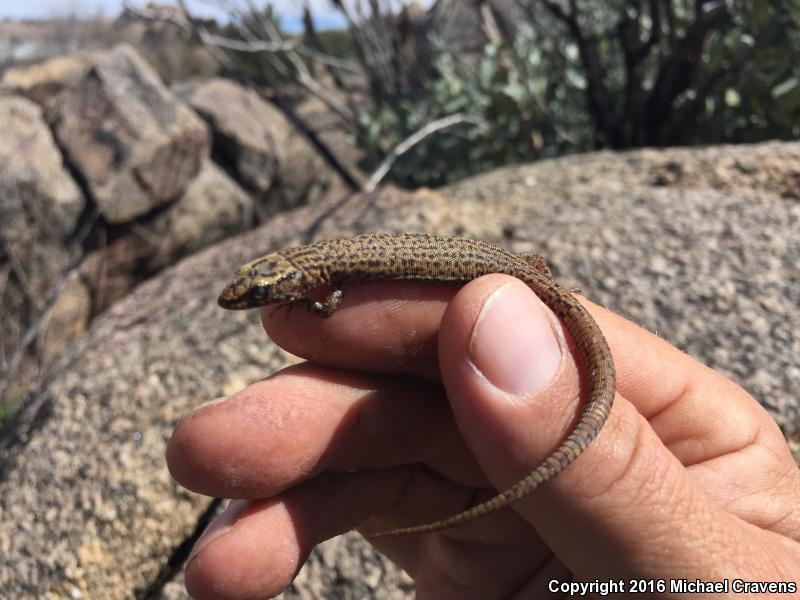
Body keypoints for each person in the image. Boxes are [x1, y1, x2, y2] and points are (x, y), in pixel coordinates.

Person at [168, 274, 800, 599]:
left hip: (494, 280)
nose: (248, 299)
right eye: (252, 291)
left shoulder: (320, 285)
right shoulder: (318, 274)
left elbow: (330, 307)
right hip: (505, 272)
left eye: (256, 293)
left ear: (285, 285)